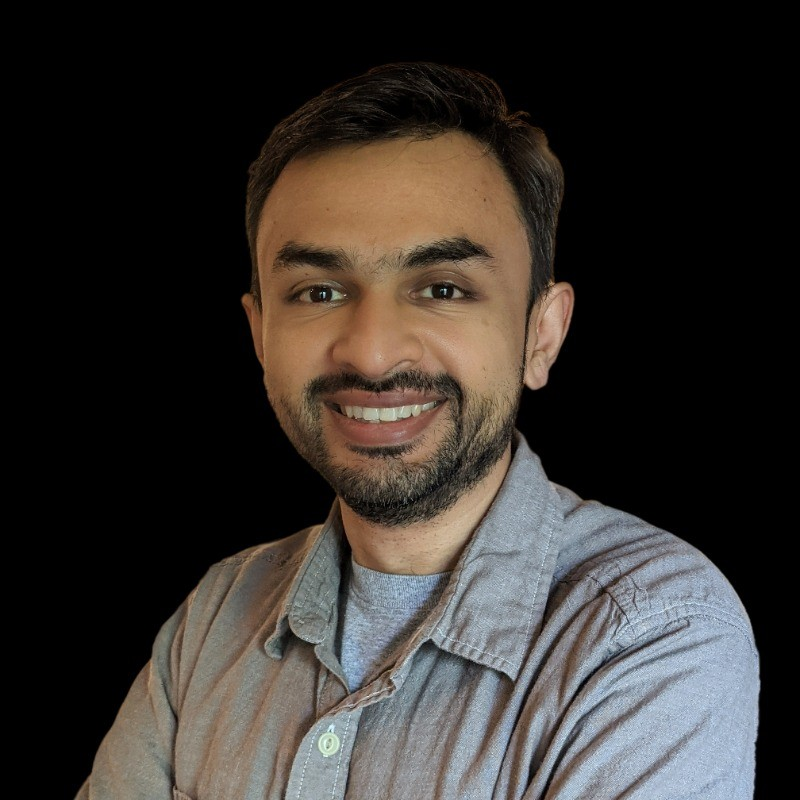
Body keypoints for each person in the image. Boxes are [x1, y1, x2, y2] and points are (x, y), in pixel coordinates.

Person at [76, 61, 759, 800]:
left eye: (442, 288)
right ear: (259, 335)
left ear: (542, 334)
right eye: (320, 292)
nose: (372, 354)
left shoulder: (651, 631)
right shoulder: (214, 617)